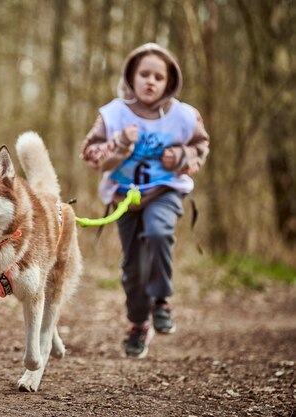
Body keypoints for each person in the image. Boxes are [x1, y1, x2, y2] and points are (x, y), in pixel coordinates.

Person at [80, 43, 210, 358]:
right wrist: (118, 141)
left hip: (164, 190)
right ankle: (139, 324)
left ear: (169, 82)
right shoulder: (113, 114)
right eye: (144, 74)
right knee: (133, 267)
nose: (151, 81)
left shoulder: (184, 116)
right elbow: (89, 153)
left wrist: (181, 155)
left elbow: (201, 145)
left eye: (158, 77)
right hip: (125, 197)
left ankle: (161, 301)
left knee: (159, 231)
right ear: (131, 77)